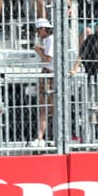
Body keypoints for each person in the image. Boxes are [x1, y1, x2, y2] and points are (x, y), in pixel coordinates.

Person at [32, 18, 54, 146]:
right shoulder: (49, 40)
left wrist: (38, 51)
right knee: (46, 108)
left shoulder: (50, 40)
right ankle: (42, 137)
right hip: (49, 74)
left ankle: (42, 137)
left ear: (43, 29)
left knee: (45, 108)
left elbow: (47, 59)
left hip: (50, 74)